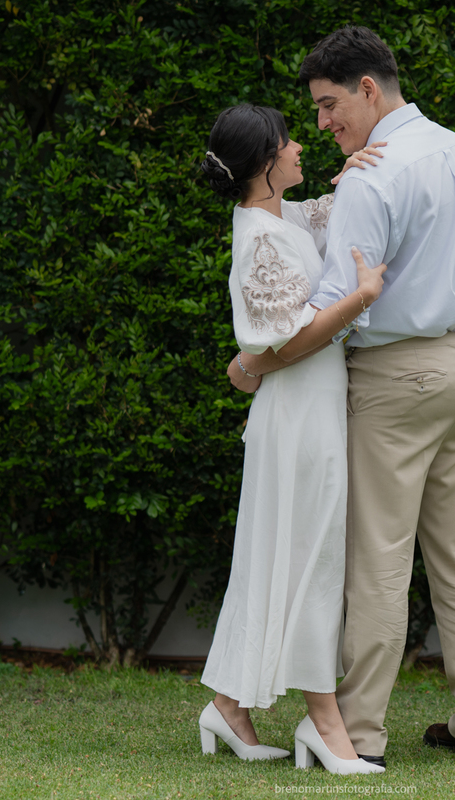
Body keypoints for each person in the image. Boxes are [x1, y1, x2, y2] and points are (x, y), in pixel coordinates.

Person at [229, 27, 455, 765]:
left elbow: (331, 305)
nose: (323, 123)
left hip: (395, 377)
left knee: (379, 558)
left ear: (368, 89)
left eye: (329, 105)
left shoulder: (371, 176)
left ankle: (357, 733)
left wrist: (252, 362)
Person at [196, 103, 389, 776]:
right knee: (311, 556)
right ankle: (325, 722)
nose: (301, 145)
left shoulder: (286, 217)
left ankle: (228, 705)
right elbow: (290, 339)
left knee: (284, 553)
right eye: (288, 141)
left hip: (312, 408)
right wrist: (361, 297)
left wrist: (355, 175)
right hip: (297, 419)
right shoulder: (257, 237)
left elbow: (329, 220)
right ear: (265, 162)